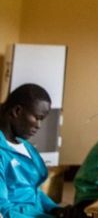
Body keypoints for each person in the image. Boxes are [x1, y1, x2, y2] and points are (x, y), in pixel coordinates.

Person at [0, 84, 72, 217]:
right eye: (37, 118)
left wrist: (54, 209)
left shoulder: (25, 146)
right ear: (17, 111)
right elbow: (3, 211)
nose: (39, 126)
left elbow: (32, 189)